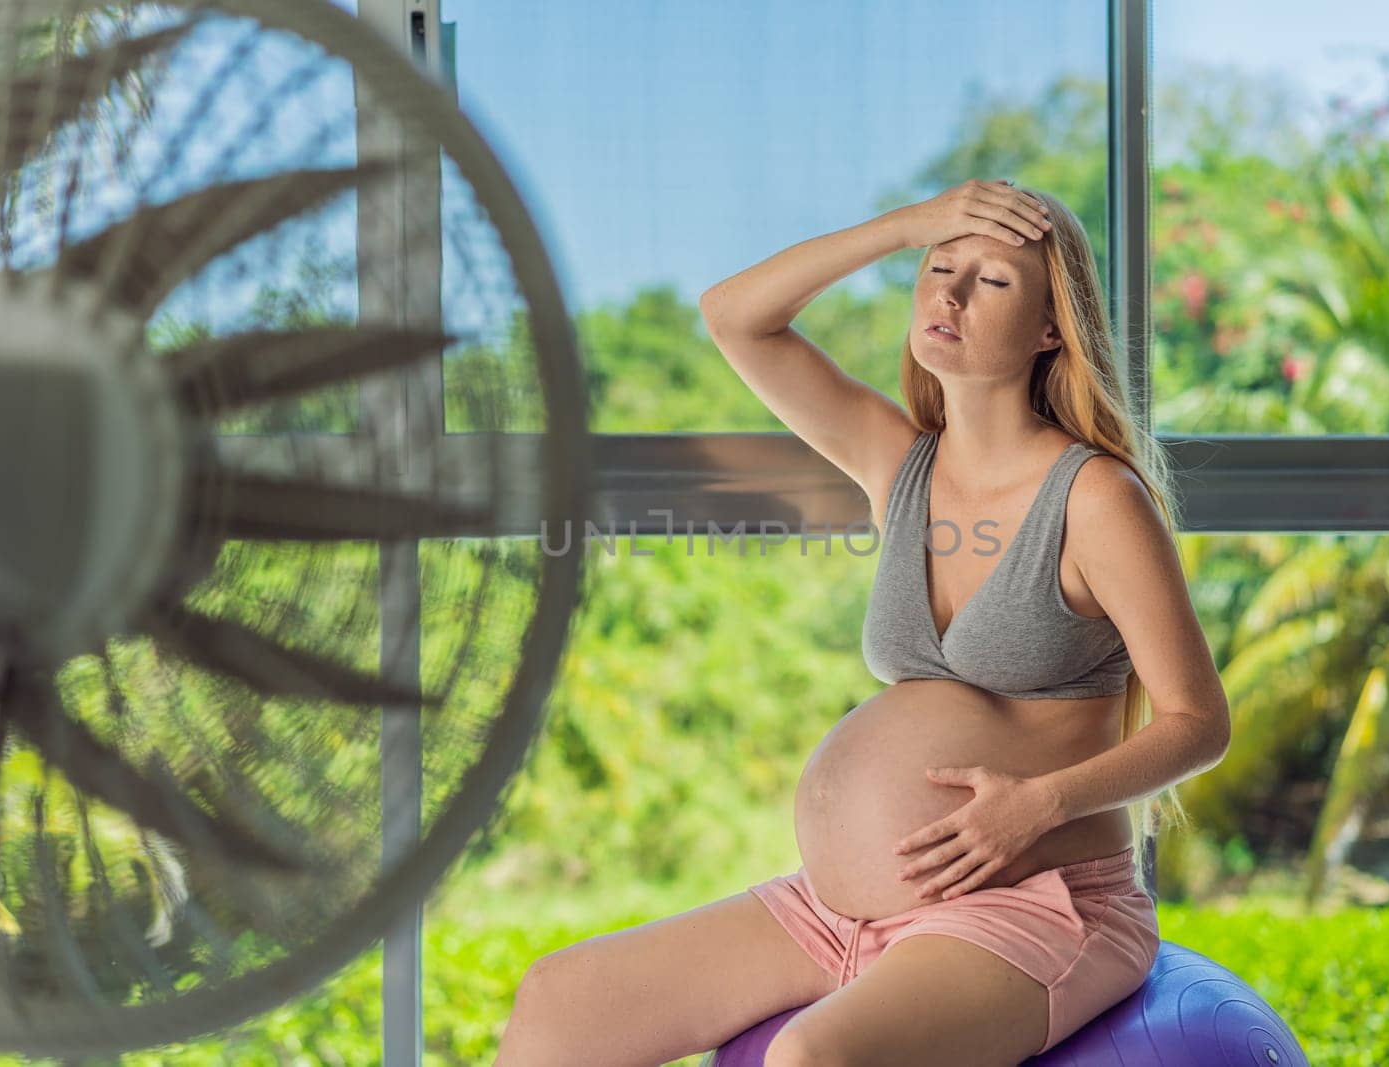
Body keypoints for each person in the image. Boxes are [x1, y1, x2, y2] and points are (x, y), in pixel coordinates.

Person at [493, 179, 1231, 1066]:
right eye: (938, 268)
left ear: (1050, 330)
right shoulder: (901, 465)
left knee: (811, 1059)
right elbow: (734, 316)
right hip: (838, 909)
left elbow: (1200, 722)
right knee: (558, 1002)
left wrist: (1038, 805)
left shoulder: (1096, 498)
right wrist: (904, 226)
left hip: (1038, 899)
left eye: (992, 281)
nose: (950, 294)